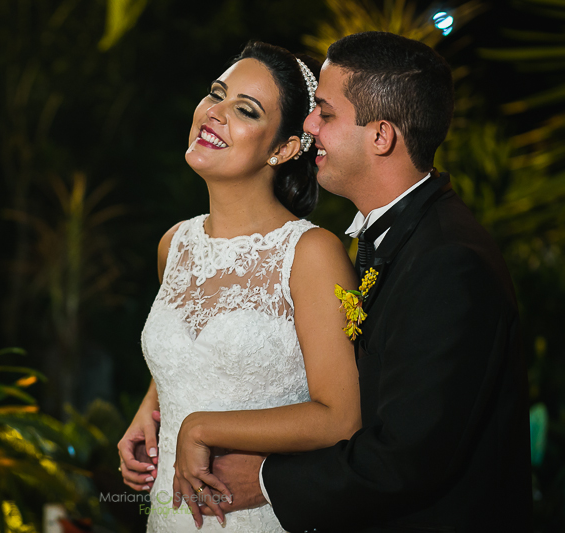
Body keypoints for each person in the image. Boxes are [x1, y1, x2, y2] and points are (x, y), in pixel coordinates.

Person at [199, 31, 533, 532]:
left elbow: (407, 458)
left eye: (326, 113)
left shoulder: (450, 262)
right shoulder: (404, 235)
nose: (309, 125)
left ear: (381, 137)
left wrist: (266, 480)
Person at [117, 41, 363, 531]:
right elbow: (195, 351)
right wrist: (151, 407)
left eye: (246, 110)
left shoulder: (311, 253)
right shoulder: (174, 245)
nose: (215, 112)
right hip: (169, 516)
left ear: (283, 149)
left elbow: (341, 418)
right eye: (216, 94)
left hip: (256, 513)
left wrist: (201, 428)